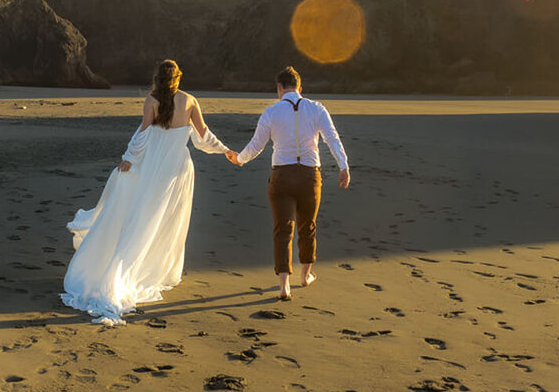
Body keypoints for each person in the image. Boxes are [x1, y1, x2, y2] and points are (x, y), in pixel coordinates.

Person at [62, 59, 236, 325]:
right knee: (168, 220)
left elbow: (143, 134)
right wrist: (225, 151)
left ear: (158, 78)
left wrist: (129, 158)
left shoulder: (151, 101)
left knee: (145, 215)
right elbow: (204, 136)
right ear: (178, 78)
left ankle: (140, 267)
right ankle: (156, 270)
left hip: (155, 166)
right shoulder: (189, 101)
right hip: (178, 169)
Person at [231, 66, 351, 301]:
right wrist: (343, 166)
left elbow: (256, 146)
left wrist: (239, 159)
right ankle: (305, 276)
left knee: (282, 230)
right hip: (309, 176)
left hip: (281, 176)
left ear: (279, 88)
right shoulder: (317, 108)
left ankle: (284, 285)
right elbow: (332, 139)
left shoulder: (271, 111)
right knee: (308, 227)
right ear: (300, 87)